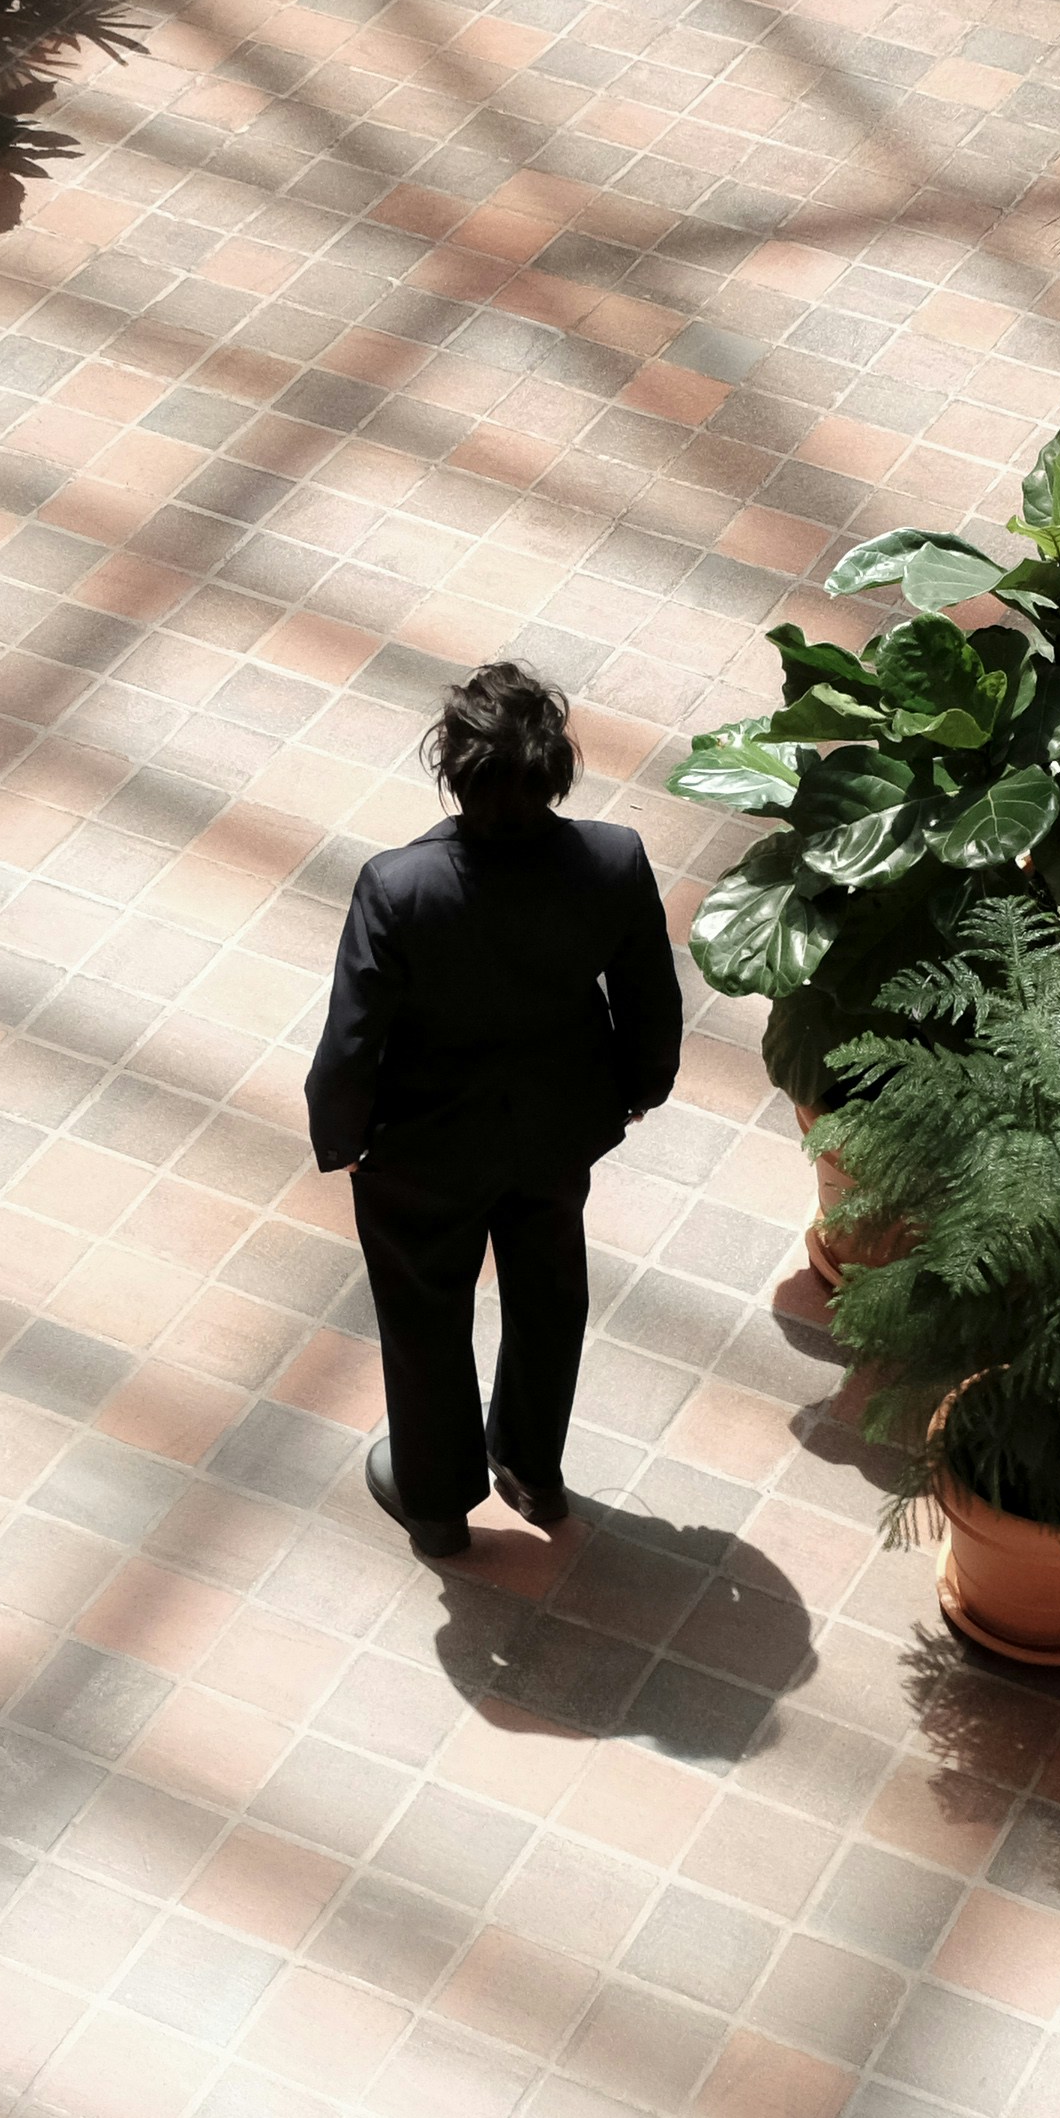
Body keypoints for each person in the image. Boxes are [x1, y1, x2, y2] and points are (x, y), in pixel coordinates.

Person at [303, 661, 685, 1561]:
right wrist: (634, 1094)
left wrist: (342, 1140)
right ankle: (531, 1468)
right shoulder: (613, 860)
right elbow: (650, 1004)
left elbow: (353, 1040)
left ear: (453, 769)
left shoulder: (399, 888)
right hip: (557, 1131)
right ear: (557, 769)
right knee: (549, 1290)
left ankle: (436, 1504)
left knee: (425, 1306)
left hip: (425, 1147)